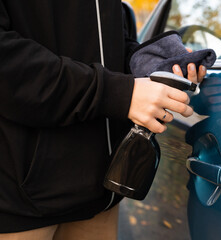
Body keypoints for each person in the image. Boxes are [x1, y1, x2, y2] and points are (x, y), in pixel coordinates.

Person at [0, 0, 206, 239]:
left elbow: (110, 46)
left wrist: (159, 64)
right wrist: (120, 93)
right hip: (24, 203)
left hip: (102, 195)